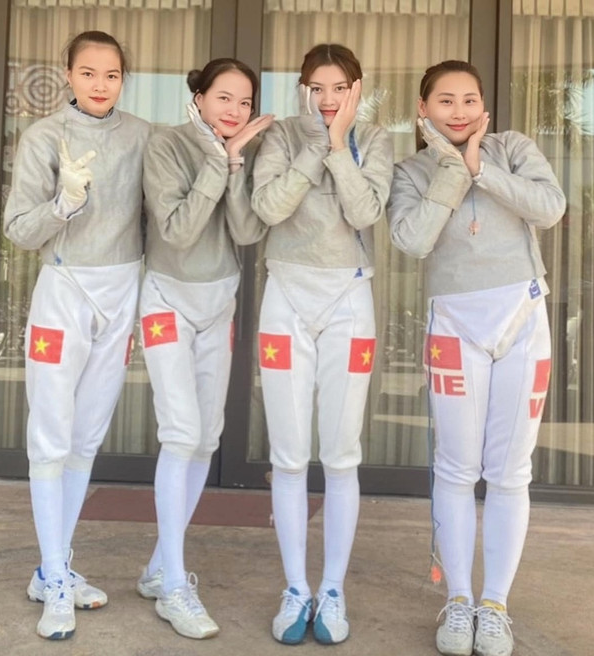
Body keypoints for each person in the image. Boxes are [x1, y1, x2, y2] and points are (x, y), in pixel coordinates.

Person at [387, 60, 566, 656]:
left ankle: (495, 606)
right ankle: (459, 599)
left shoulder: (511, 149)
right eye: (445, 101)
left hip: (522, 316)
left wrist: (481, 169)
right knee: (456, 468)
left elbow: (550, 207)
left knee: (511, 471)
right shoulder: (409, 170)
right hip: (454, 325)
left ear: (484, 106)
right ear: (423, 109)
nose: (458, 111)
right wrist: (451, 171)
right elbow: (412, 240)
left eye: (469, 100)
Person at [3, 31, 149, 640]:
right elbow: (18, 228)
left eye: (111, 75)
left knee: (86, 439)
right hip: (64, 291)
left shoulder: (142, 136)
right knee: (51, 439)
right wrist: (63, 204)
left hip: (121, 293)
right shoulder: (44, 137)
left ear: (123, 79)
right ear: (67, 74)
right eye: (88, 72)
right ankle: (56, 578)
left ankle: (53, 568)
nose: (99, 85)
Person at [251, 44, 394, 645]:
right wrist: (316, 145)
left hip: (349, 300)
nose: (328, 98)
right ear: (302, 88)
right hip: (285, 292)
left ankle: (332, 589)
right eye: (317, 87)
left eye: (340, 87)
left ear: (358, 88)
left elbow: (364, 213)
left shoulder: (376, 139)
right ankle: (295, 587)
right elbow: (268, 207)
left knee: (340, 454)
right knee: (288, 455)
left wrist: (339, 145)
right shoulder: (282, 136)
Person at [135, 58, 273, 640]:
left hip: (220, 303)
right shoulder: (166, 145)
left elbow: (245, 231)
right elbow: (179, 230)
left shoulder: (242, 150)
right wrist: (221, 159)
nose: (234, 111)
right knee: (180, 433)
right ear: (198, 97)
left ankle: (158, 565)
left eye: (244, 102)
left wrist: (236, 162)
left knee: (206, 438)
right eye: (224, 97)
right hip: (167, 299)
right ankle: (174, 584)